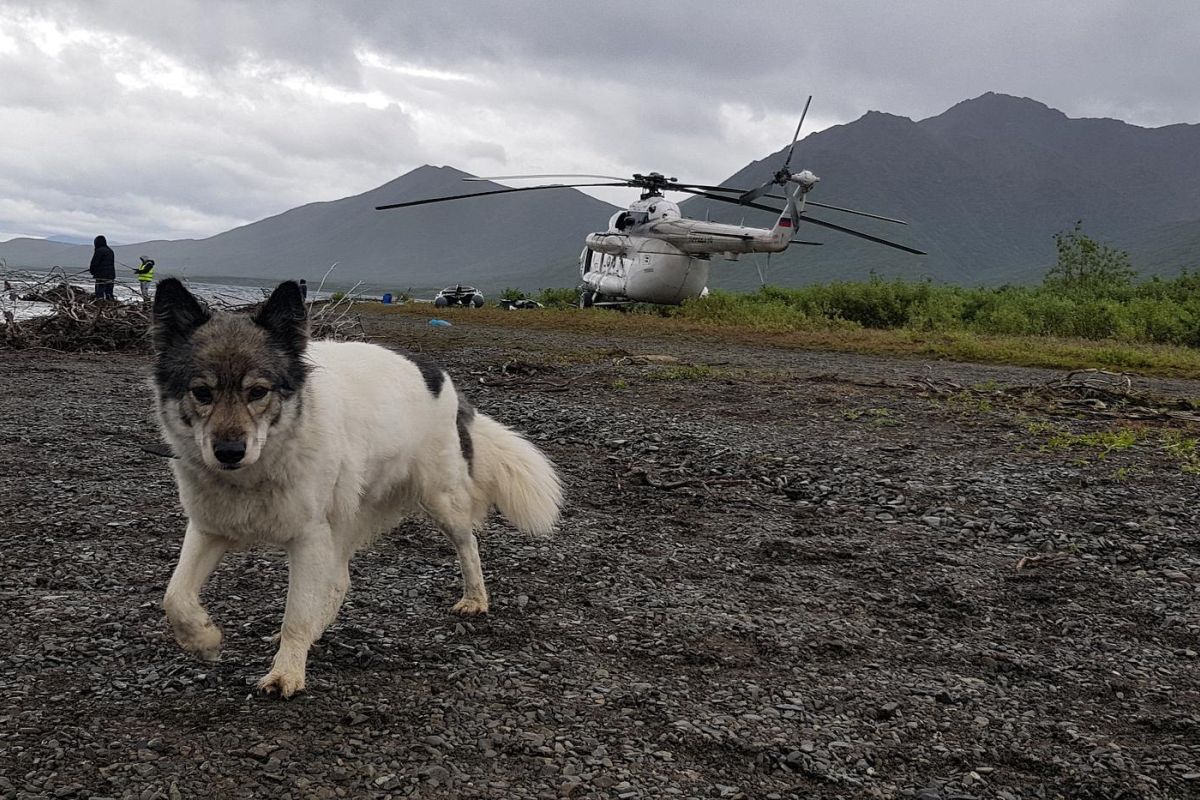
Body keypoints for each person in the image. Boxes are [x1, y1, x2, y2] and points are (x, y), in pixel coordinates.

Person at [88, 235, 116, 300]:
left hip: (101, 276)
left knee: (99, 293)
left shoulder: (99, 251)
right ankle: (110, 305)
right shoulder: (110, 251)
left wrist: (92, 271)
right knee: (109, 293)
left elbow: (94, 263)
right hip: (111, 276)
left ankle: (100, 305)